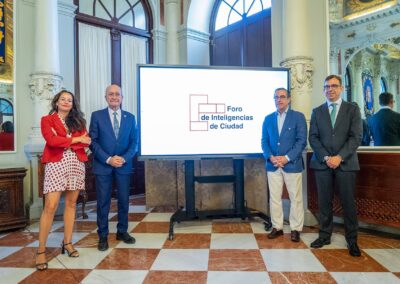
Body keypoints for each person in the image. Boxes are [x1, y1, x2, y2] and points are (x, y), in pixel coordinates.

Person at [36, 90, 91, 270]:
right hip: (56, 164)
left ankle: (67, 243)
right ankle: (41, 251)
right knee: (50, 206)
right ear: (57, 102)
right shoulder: (47, 120)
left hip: (76, 163)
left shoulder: (79, 121)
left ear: (73, 104)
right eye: (63, 99)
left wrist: (68, 139)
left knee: (71, 204)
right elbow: (51, 141)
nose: (66, 102)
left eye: (70, 100)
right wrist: (76, 139)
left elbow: (86, 142)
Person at [309, 75, 362, 257]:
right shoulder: (317, 111)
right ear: (323, 90)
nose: (330, 89)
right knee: (324, 202)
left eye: (334, 86)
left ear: (341, 88)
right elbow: (313, 138)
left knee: (348, 203)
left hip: (345, 163)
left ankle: (352, 240)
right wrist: (326, 157)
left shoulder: (352, 109)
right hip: (323, 164)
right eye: (326, 86)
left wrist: (339, 157)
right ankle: (324, 236)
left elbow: (356, 137)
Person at [89, 84, 138, 251]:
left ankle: (122, 231)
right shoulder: (96, 116)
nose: (114, 97)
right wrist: (108, 159)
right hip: (103, 166)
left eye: (118, 94)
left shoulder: (130, 118)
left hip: (123, 166)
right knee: (103, 202)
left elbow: (134, 143)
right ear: (106, 97)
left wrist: (123, 158)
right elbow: (93, 142)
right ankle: (103, 235)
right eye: (111, 94)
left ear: (122, 98)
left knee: (124, 201)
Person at [261, 88, 307, 242]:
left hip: (292, 164)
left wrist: (287, 158)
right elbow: (264, 141)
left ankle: (295, 229)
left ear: (289, 99)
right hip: (273, 165)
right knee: (274, 198)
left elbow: (301, 141)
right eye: (276, 97)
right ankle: (277, 227)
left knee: (296, 198)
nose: (279, 100)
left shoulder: (298, 117)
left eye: (282, 97)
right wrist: (270, 157)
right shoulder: (268, 119)